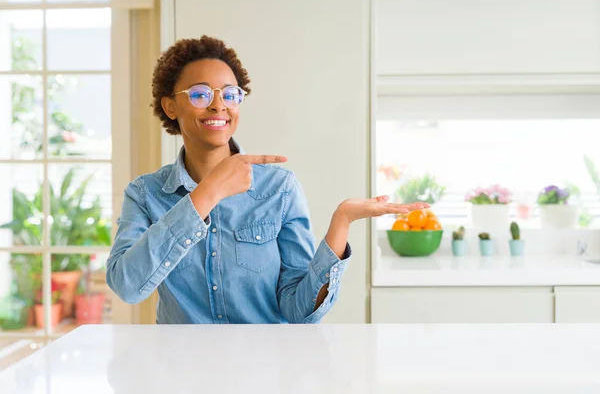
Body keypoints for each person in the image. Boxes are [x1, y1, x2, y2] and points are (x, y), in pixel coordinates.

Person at [106, 35, 427, 324]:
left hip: (266, 370)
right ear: (170, 106)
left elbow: (297, 310)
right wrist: (207, 193)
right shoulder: (144, 193)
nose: (219, 104)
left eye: (231, 94)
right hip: (179, 372)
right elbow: (127, 286)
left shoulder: (279, 189)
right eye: (201, 94)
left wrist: (340, 223)